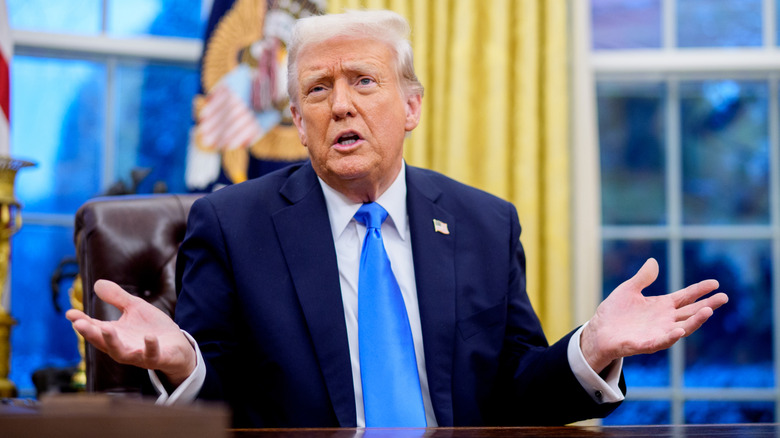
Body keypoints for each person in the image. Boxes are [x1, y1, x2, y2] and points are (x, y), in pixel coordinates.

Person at [66, 9, 728, 428]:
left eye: (363, 81)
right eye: (317, 91)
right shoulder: (233, 223)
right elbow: (225, 396)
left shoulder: (484, 224)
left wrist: (592, 348)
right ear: (296, 122)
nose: (340, 106)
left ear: (411, 106)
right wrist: (184, 361)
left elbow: (514, 396)